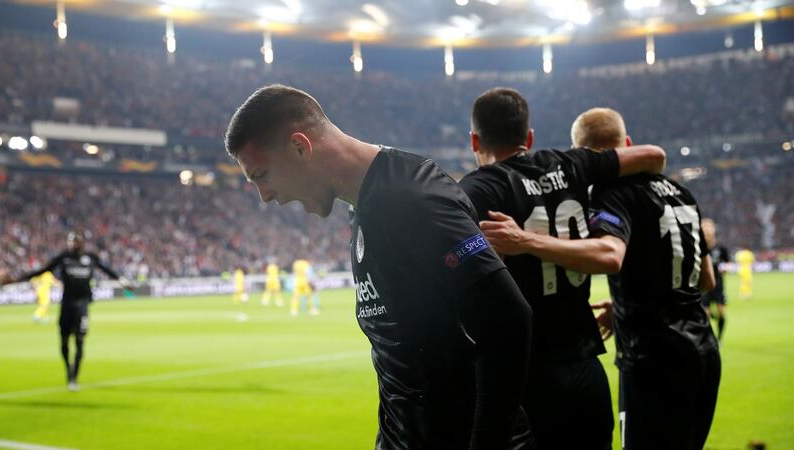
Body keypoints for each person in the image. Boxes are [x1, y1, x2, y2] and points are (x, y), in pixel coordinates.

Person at [225, 84, 534, 449]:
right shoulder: (364, 206)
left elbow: (509, 320)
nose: (266, 196)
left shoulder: (413, 199)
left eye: (261, 175)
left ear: (299, 147)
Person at [479, 107, 720, 450]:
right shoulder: (680, 192)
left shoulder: (614, 194)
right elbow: (705, 280)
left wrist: (525, 241)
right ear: (627, 144)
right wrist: (629, 304)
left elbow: (610, 256)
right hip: (705, 351)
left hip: (653, 358)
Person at [460, 92, 666, 449]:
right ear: (529, 137)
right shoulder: (569, 164)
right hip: (585, 366)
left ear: (475, 140)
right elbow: (653, 156)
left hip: (525, 375)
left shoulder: (475, 191)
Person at [0, 232, 131, 391]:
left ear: (82, 243)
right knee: (64, 342)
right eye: (70, 242)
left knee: (80, 341)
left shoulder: (90, 258)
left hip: (82, 306)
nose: (72, 244)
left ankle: (74, 377)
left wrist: (123, 282)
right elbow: (42, 270)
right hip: (66, 305)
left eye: (75, 242)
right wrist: (16, 280)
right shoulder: (63, 257)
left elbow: (107, 270)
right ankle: (68, 369)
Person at [700, 219, 729, 342]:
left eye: (709, 227)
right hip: (704, 286)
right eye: (705, 227)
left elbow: (727, 263)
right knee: (705, 316)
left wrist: (726, 267)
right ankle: (709, 339)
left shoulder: (720, 248)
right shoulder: (698, 247)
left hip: (718, 286)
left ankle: (720, 338)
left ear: (714, 229)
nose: (707, 230)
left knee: (721, 313)